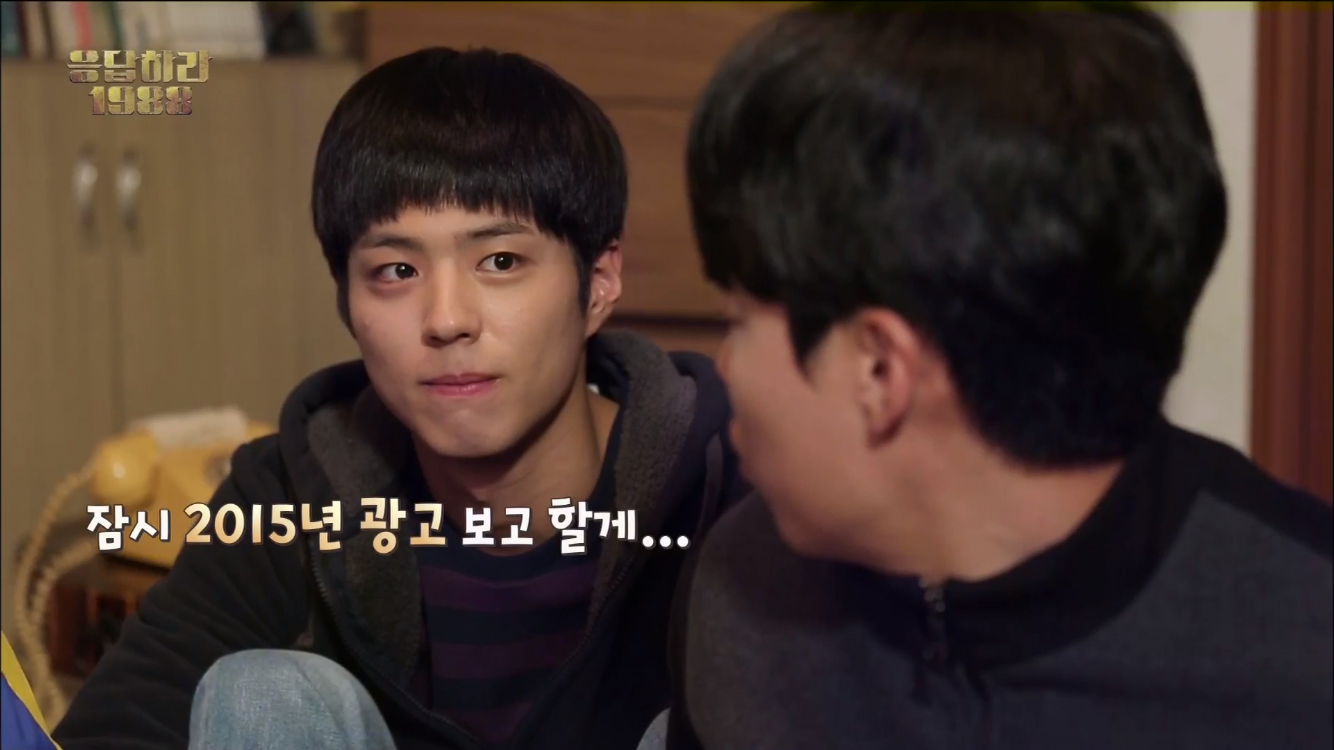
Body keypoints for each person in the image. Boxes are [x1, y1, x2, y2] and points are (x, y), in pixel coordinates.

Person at [665, 3, 1334, 750]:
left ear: (880, 368)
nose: (725, 367)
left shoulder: (1307, 646)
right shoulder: (744, 593)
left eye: (740, 318)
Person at [51, 47, 746, 750]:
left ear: (597, 283)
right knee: (261, 694)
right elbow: (118, 729)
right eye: (396, 271)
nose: (446, 319)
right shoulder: (292, 501)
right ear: (346, 303)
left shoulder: (731, 489)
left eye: (500, 261)